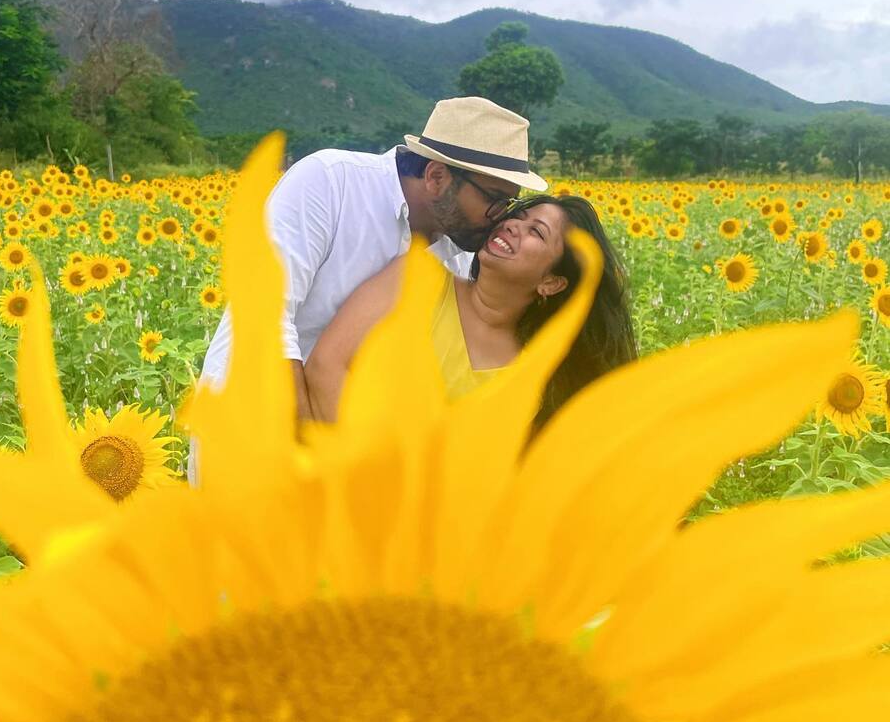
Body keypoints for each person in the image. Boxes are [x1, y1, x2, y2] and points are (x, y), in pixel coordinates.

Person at [191, 96, 548, 482]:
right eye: (494, 200)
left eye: (510, 203)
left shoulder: (457, 256)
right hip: (250, 426)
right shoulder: (330, 183)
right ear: (436, 177)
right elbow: (265, 319)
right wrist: (316, 446)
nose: (501, 218)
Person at [305, 194, 637, 449]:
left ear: (551, 283)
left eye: (536, 231)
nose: (512, 226)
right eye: (516, 217)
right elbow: (325, 367)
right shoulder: (417, 278)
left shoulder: (529, 378)